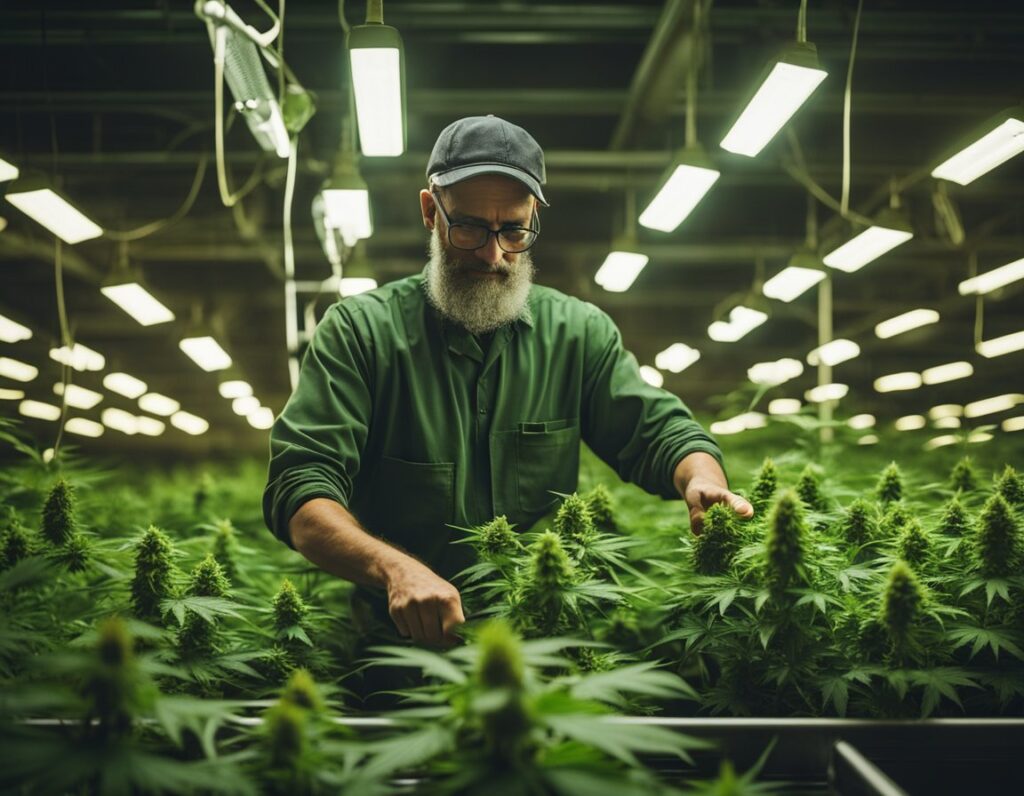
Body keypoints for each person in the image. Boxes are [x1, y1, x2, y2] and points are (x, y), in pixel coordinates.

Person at [263, 115, 754, 653]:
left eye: (513, 231)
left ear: (534, 217)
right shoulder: (361, 334)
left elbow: (659, 431)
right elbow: (301, 493)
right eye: (469, 227)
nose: (493, 255)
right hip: (402, 659)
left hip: (544, 652)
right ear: (431, 211)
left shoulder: (578, 332)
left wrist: (701, 479)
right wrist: (394, 569)